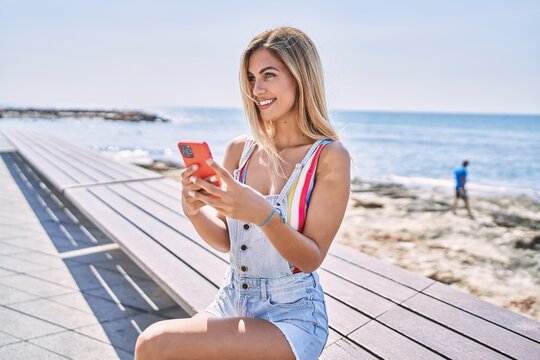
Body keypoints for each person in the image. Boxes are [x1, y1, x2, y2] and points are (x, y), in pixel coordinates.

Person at [135, 27, 351, 360]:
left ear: (300, 77)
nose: (257, 89)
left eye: (268, 75)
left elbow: (310, 258)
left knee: (154, 343)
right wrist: (193, 210)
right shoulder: (240, 151)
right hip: (231, 300)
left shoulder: (328, 157)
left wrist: (263, 215)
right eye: (251, 78)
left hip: (292, 317)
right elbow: (226, 240)